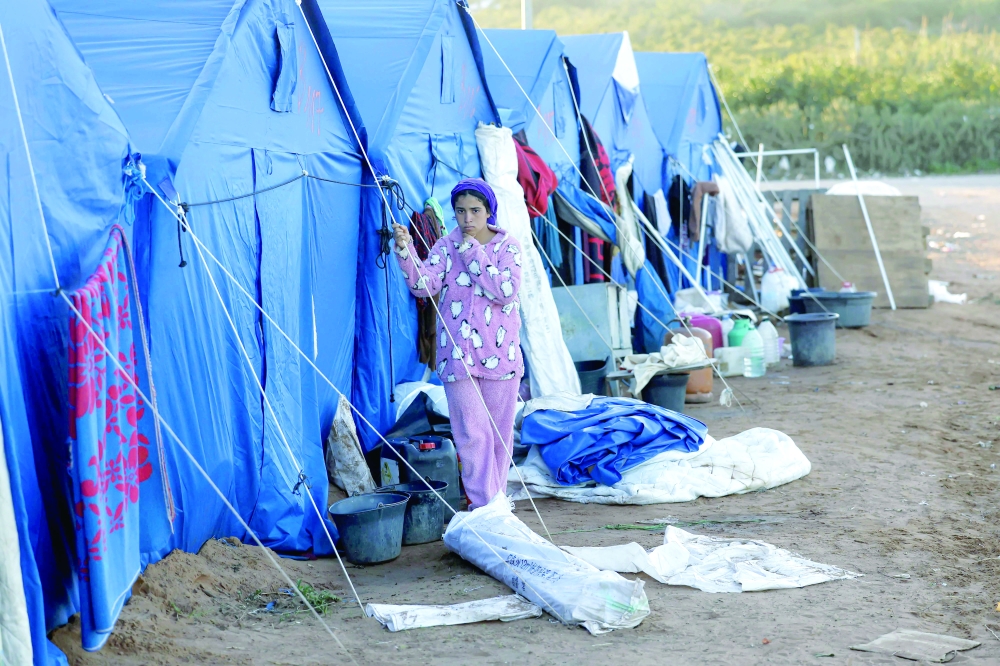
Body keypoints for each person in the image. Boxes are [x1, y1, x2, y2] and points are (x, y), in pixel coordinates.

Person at [392, 178, 524, 510]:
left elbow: (505, 291)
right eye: (461, 211)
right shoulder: (445, 246)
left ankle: (497, 504)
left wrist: (473, 252)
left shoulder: (508, 247)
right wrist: (406, 252)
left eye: (475, 211)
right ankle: (484, 508)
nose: (467, 219)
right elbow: (424, 285)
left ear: (489, 211)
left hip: (501, 358)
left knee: (498, 439)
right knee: (470, 436)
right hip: (458, 358)